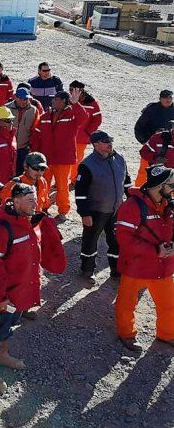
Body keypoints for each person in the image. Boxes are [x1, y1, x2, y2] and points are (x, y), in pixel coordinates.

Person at [0, 184, 46, 393]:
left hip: (22, 291)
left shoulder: (25, 220)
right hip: (8, 295)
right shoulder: (2, 227)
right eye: (29, 200)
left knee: (9, 326)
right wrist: (1, 298)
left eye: (35, 199)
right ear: (15, 201)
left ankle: (2, 354)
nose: (34, 204)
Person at [114, 164, 174, 352]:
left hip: (163, 266)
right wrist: (156, 250)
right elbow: (124, 238)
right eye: (171, 185)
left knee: (169, 304)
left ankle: (167, 334)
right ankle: (127, 334)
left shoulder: (168, 204)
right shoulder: (132, 206)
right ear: (159, 186)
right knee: (127, 303)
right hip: (136, 266)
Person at [74, 131, 130, 283]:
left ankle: (116, 270)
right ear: (96, 144)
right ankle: (87, 270)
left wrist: (131, 201)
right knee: (90, 241)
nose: (110, 143)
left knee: (117, 241)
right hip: (95, 212)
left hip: (116, 210)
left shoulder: (119, 159)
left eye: (110, 139)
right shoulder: (87, 165)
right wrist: (84, 214)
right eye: (105, 141)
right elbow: (80, 194)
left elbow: (127, 182)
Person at [31, 89, 88, 222]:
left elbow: (83, 118)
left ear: (63, 102)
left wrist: (76, 104)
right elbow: (37, 134)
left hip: (63, 159)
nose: (52, 101)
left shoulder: (72, 115)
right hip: (45, 158)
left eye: (55, 99)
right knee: (43, 184)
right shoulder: (45, 116)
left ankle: (63, 210)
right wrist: (34, 152)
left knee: (62, 186)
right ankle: (42, 208)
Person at [134, 90, 174, 185]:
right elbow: (139, 128)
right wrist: (145, 142)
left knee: (170, 176)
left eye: (170, 97)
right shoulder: (151, 110)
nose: (168, 100)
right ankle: (138, 193)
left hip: (170, 150)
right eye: (165, 97)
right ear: (160, 99)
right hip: (152, 147)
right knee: (144, 173)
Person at [69, 80, 103, 186]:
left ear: (81, 91)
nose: (72, 92)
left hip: (81, 137)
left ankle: (74, 179)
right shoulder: (67, 100)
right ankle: (63, 178)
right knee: (65, 158)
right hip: (68, 135)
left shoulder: (92, 103)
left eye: (74, 90)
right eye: (70, 90)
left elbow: (97, 120)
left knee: (77, 159)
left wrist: (87, 132)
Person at [5, 87, 41, 175]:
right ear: (15, 97)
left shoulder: (34, 110)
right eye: (21, 99)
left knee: (20, 173)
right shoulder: (6, 108)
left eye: (25, 99)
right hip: (8, 147)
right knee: (7, 171)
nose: (23, 101)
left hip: (23, 148)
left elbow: (36, 129)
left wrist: (30, 145)